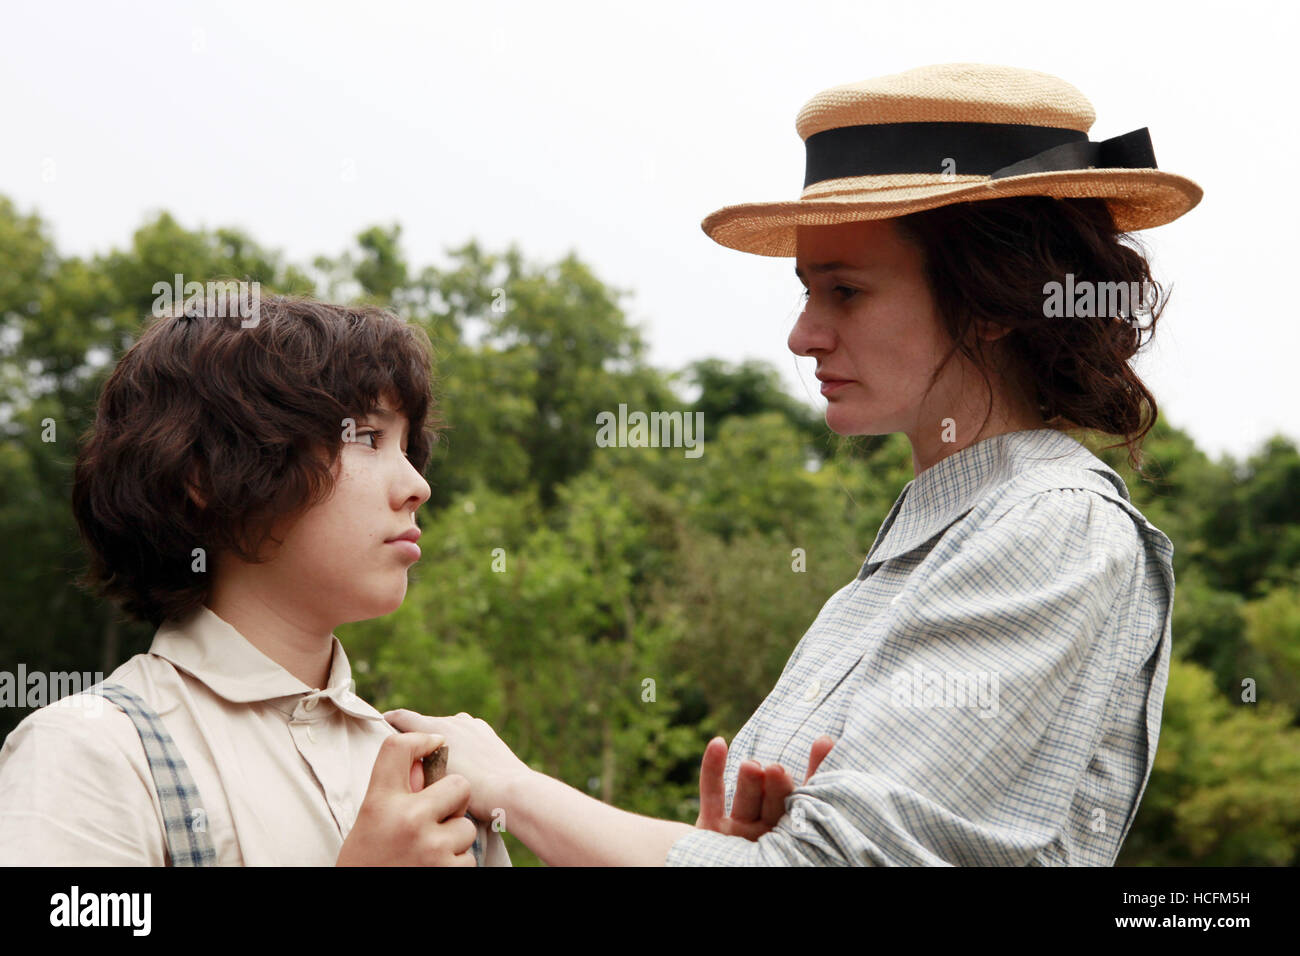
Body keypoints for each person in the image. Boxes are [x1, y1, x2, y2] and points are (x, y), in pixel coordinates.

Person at [385, 62, 1202, 865]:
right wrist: (722, 849)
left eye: (845, 291)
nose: (802, 335)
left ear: (992, 298)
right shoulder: (936, 541)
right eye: (808, 290)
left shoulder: (1049, 527)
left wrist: (513, 788)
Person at [0, 295, 504, 865]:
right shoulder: (91, 753)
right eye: (368, 437)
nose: (418, 486)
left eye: (409, 448)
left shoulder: (440, 773)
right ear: (205, 473)